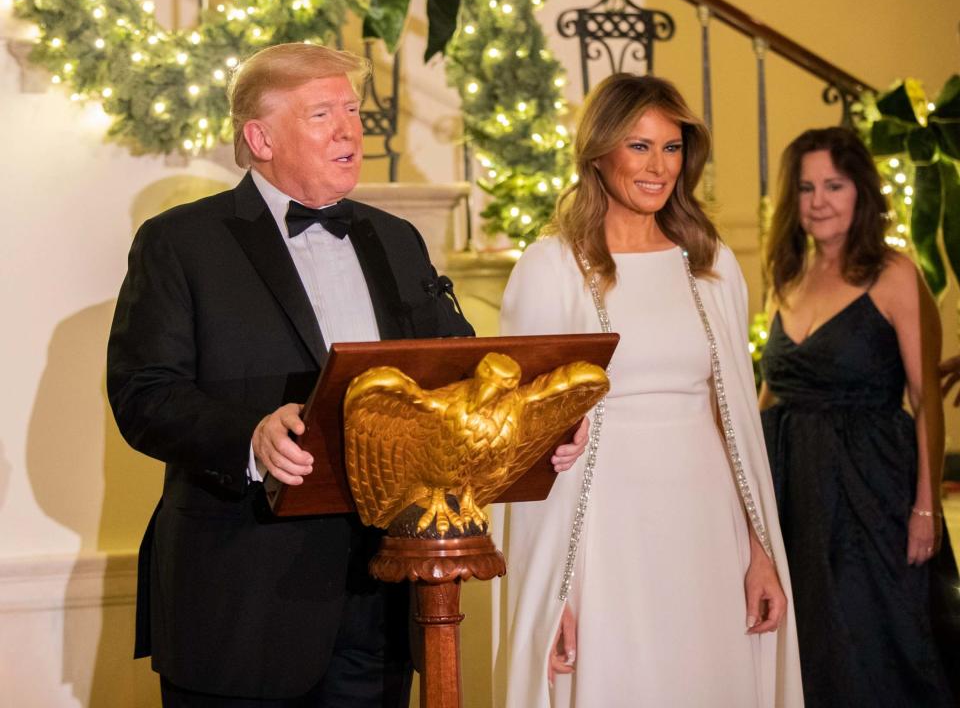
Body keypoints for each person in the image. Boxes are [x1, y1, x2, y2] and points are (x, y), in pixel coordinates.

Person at [107, 43, 587, 707]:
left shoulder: (396, 239)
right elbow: (145, 394)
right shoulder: (180, 244)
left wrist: (535, 427)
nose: (349, 130)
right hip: (242, 599)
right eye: (321, 114)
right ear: (259, 137)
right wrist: (250, 437)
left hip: (383, 590)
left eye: (353, 112)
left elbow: (455, 369)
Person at [495, 73, 803, 707]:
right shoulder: (551, 268)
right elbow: (522, 445)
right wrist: (552, 591)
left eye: (672, 147)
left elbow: (731, 423)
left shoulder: (710, 262)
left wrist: (759, 551)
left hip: (705, 527)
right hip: (604, 536)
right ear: (598, 152)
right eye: (639, 146)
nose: (659, 166)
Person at [759, 126, 958, 706]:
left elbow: (925, 401)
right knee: (809, 647)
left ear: (861, 192)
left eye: (835, 185)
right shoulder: (787, 276)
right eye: (806, 187)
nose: (818, 200)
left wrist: (926, 507)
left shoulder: (894, 274)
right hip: (792, 487)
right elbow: (770, 395)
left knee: (876, 641)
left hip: (872, 488)